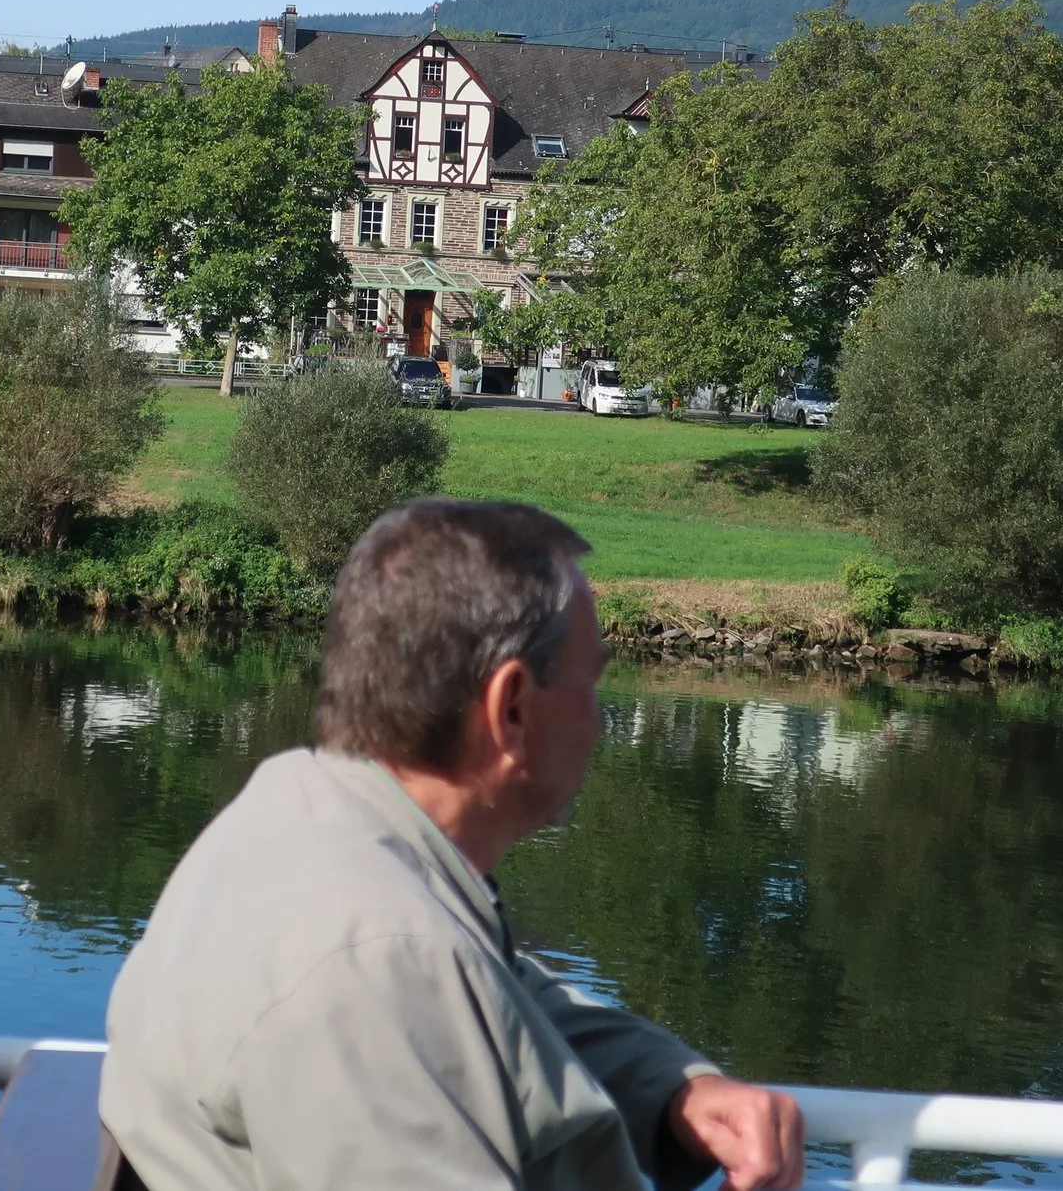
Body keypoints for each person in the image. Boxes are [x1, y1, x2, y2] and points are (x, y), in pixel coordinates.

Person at [100, 499, 807, 1191]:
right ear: (513, 709)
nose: (599, 723)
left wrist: (673, 1089)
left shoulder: (298, 812)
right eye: (594, 688)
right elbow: (420, 977)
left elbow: (488, 988)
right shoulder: (373, 960)